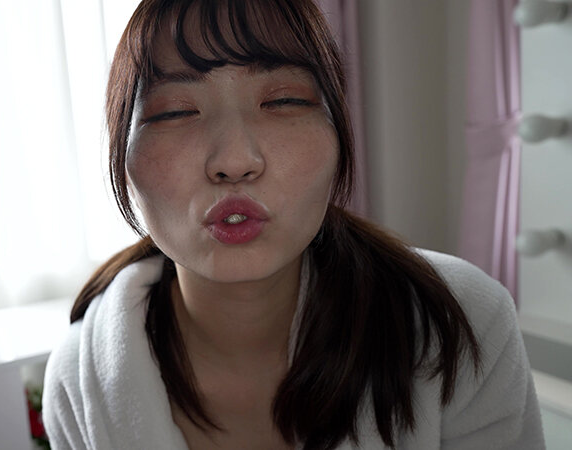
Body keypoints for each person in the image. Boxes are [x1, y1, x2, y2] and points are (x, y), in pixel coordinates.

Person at [43, 1, 544, 448]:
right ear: (121, 157)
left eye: (282, 101)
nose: (235, 161)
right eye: (176, 111)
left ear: (340, 135)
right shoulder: (79, 382)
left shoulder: (460, 324)